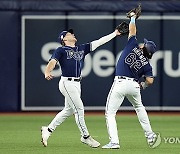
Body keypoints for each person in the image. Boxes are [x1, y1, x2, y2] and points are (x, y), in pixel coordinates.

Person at [41, 28, 121, 148]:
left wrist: (115, 33)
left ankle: (48, 130)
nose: (73, 34)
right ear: (64, 39)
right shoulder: (61, 49)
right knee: (79, 109)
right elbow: (52, 61)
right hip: (67, 83)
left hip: (77, 84)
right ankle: (85, 137)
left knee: (68, 110)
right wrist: (47, 71)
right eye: (69, 33)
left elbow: (99, 42)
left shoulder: (81, 48)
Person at [102, 12, 161, 149]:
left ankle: (114, 142)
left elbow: (132, 30)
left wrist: (133, 17)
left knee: (110, 113)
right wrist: (143, 84)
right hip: (134, 86)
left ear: (143, 47)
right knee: (139, 108)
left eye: (144, 44)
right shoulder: (147, 64)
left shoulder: (133, 46)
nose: (142, 43)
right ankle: (150, 135)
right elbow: (150, 80)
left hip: (120, 83)